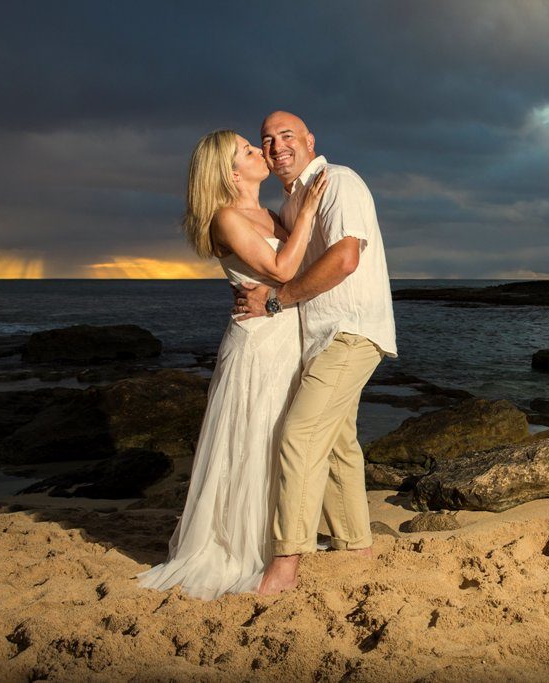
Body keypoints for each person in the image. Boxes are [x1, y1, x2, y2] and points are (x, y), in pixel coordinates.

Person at [137, 129, 328, 599]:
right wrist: (306, 214)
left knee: (285, 437)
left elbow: (293, 272)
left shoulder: (268, 212)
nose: (259, 152)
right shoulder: (226, 218)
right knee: (255, 437)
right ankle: (247, 548)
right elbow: (283, 269)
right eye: (247, 150)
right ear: (230, 171)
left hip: (287, 335)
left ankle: (281, 538)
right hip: (258, 345)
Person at [234, 110, 397, 595]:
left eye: (287, 135)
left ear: (309, 140)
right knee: (338, 444)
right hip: (318, 338)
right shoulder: (290, 204)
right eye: (266, 140)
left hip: (349, 331)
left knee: (300, 436)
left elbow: (345, 258)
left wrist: (278, 301)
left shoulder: (338, 181)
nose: (277, 145)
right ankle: (356, 548)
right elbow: (281, 267)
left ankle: (285, 566)